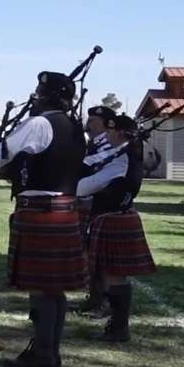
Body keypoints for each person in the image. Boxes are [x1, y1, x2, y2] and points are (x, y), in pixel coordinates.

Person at [0, 71, 86, 367]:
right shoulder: (76, 128)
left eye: (39, 91)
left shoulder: (39, 124)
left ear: (47, 96)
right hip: (65, 208)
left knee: (40, 287)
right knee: (55, 288)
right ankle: (49, 350)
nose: (35, 97)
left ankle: (43, 354)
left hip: (41, 211)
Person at [77, 114, 156, 341]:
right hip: (115, 217)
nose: (107, 134)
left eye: (110, 131)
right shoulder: (123, 154)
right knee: (112, 274)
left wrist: (70, 183)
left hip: (114, 219)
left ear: (120, 133)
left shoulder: (122, 160)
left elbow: (86, 187)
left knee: (115, 276)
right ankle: (116, 324)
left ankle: (119, 328)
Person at [75, 105, 118, 313]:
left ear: (107, 124)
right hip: (88, 202)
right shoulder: (92, 144)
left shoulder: (108, 146)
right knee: (90, 253)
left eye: (94, 121)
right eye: (89, 120)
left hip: (100, 203)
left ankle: (106, 300)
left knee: (102, 256)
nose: (89, 124)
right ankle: (94, 297)